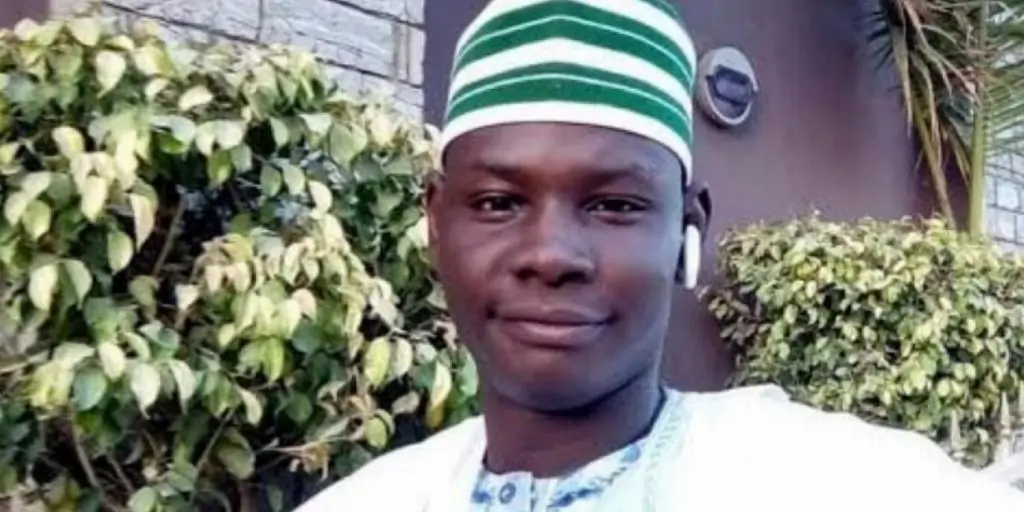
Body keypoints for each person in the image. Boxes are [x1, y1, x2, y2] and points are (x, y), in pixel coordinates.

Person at [297, 0, 1024, 510]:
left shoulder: (833, 483)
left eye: (614, 204)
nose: (550, 254)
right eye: (497, 203)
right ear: (435, 221)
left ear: (687, 226)